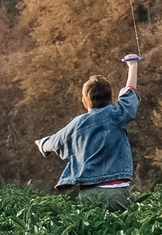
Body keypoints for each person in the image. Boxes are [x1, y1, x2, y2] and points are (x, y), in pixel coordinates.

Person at [34, 53, 142, 210]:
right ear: (111, 98)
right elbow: (129, 92)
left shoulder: (76, 124)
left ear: (85, 101)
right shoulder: (117, 115)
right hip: (117, 191)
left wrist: (41, 143)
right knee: (120, 231)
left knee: (92, 232)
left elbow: (54, 142)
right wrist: (133, 66)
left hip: (89, 192)